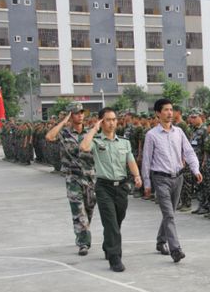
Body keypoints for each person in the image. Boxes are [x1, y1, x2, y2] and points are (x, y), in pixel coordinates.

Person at [80, 107, 142, 272]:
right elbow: (84, 147)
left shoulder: (124, 142)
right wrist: (94, 128)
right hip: (104, 187)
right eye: (108, 119)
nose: (112, 122)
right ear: (101, 122)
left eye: (114, 119)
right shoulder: (96, 141)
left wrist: (137, 176)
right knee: (111, 222)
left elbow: (131, 161)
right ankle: (115, 258)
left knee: (117, 220)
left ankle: (108, 245)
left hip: (121, 187)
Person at [141, 99, 203, 263]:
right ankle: (175, 249)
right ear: (158, 114)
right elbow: (146, 160)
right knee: (169, 214)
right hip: (160, 179)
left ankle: (161, 241)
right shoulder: (151, 135)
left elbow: (189, 152)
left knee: (170, 214)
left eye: (171, 109)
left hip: (178, 178)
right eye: (166, 110)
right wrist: (147, 183)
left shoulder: (179, 133)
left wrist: (195, 169)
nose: (170, 113)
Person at [45, 103, 96, 256]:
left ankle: (83, 232)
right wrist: (63, 121)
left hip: (90, 177)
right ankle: (83, 243)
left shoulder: (90, 132)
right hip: (73, 178)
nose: (80, 115)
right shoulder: (65, 133)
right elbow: (49, 136)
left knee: (88, 209)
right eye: (76, 113)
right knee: (78, 211)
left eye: (82, 112)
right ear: (71, 116)